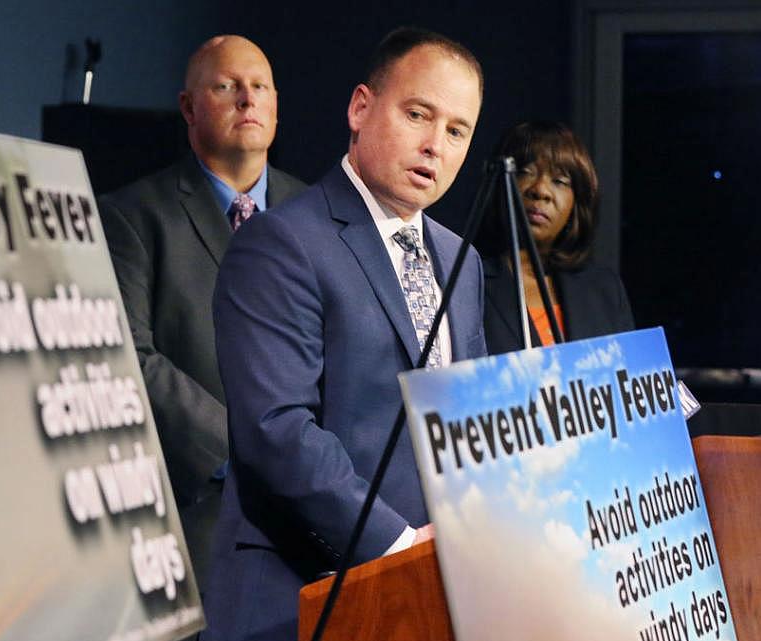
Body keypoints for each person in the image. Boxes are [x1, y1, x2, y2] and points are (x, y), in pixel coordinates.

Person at [204, 27, 487, 641]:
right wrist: (399, 545)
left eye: (457, 130)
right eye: (418, 114)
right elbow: (277, 431)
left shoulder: (462, 261)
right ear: (361, 108)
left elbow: (468, 423)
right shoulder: (282, 243)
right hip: (301, 597)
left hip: (427, 599)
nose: (435, 145)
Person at [98, 35, 306, 594]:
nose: (248, 99)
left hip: (316, 517)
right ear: (189, 108)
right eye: (226, 86)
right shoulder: (131, 215)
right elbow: (130, 357)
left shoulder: (315, 212)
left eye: (260, 86)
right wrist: (246, 450)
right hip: (203, 518)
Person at [478, 121, 634, 354]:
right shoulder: (469, 284)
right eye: (525, 172)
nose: (540, 190)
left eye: (559, 181)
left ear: (577, 203)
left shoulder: (604, 290)